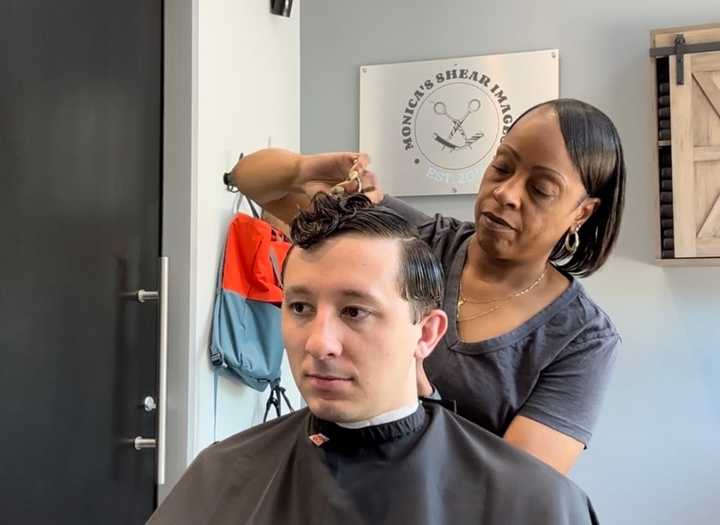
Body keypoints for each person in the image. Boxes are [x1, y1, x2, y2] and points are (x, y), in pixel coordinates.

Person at [147, 193, 598, 525]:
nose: (319, 343)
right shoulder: (222, 476)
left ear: (426, 334)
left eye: (354, 311)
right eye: (300, 308)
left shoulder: (534, 504)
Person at [229, 98, 625, 474]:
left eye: (540, 190)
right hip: (332, 485)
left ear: (582, 212)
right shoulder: (407, 242)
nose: (505, 194)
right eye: (502, 167)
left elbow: (517, 489)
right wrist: (305, 169)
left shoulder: (583, 338)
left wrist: (423, 408)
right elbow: (249, 179)